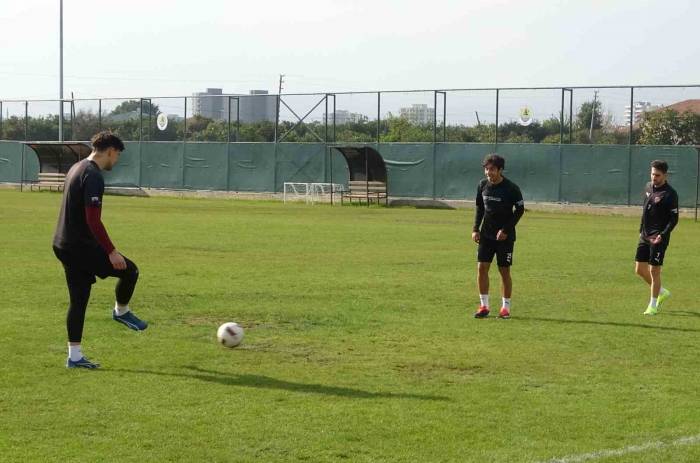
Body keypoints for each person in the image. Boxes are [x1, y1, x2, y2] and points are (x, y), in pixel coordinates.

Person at [53, 131, 148, 369]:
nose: (115, 162)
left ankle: (74, 357)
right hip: (80, 247)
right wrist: (111, 251)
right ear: (110, 151)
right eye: (116, 157)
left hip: (63, 244)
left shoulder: (76, 167)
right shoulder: (93, 175)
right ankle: (121, 311)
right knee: (130, 271)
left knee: (79, 300)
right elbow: (93, 221)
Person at [471, 154, 525, 319]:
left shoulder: (511, 188)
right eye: (486, 169)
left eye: (492, 169)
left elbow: (520, 210)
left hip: (504, 238)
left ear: (500, 170)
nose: (489, 173)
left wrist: (506, 230)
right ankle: (484, 306)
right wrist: (475, 228)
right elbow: (480, 208)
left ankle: (505, 308)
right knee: (481, 268)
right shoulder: (482, 185)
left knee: (504, 271)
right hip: (486, 235)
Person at [635, 159, 679, 316]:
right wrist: (641, 230)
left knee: (654, 271)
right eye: (653, 174)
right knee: (639, 270)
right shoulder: (648, 187)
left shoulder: (670, 194)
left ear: (665, 175)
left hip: (658, 238)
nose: (654, 177)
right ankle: (662, 292)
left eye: (658, 175)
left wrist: (663, 235)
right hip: (645, 235)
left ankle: (653, 305)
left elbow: (674, 219)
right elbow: (645, 210)